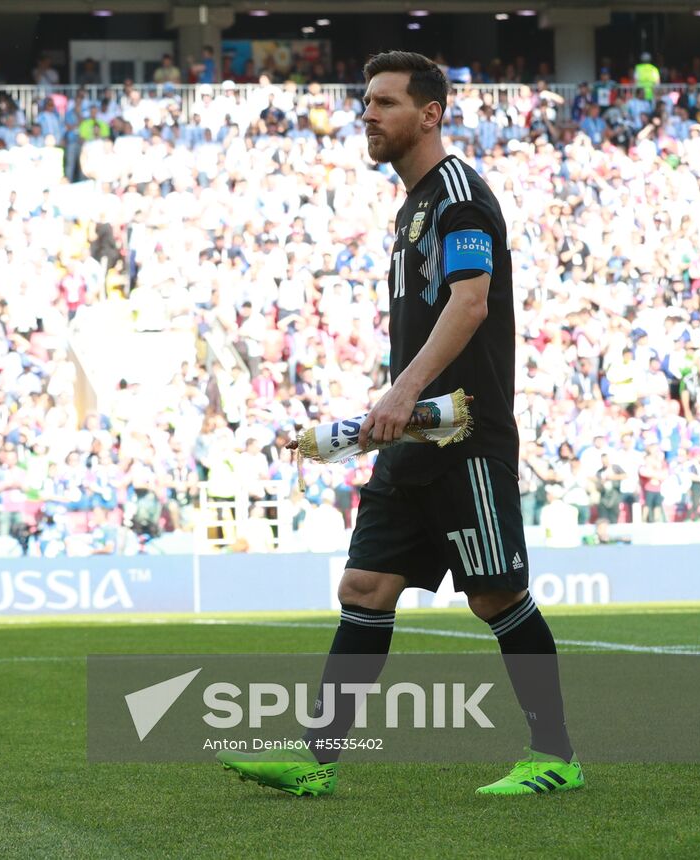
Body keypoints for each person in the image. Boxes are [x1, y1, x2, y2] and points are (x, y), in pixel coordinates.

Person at [219, 51, 582, 798]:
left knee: (497, 598)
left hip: (463, 435)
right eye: (366, 102)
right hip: (413, 433)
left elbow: (471, 302)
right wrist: (398, 406)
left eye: (384, 102)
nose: (368, 115)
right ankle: (317, 760)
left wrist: (399, 392)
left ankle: (557, 756)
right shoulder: (412, 205)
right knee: (365, 586)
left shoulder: (458, 197)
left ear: (430, 113)